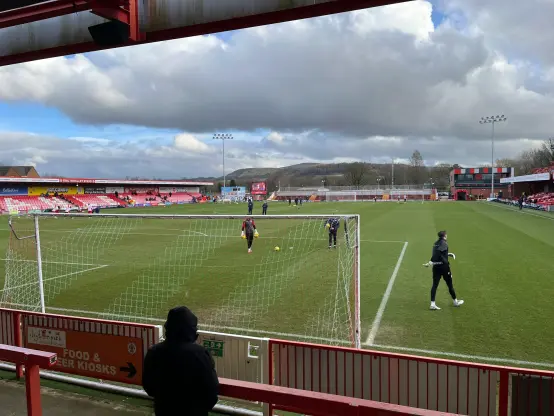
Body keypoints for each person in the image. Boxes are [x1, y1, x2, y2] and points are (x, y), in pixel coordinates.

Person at [143, 306, 219, 416]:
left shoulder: (154, 352)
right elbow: (211, 391)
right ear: (191, 330)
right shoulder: (200, 354)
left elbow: (149, 387)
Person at [427, 231, 464, 310]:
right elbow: (437, 253)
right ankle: (455, 302)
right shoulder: (443, 243)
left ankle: (432, 304)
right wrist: (430, 261)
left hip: (436, 267)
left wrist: (448, 254)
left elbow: (438, 253)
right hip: (444, 267)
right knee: (450, 284)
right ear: (444, 236)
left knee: (435, 285)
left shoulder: (435, 243)